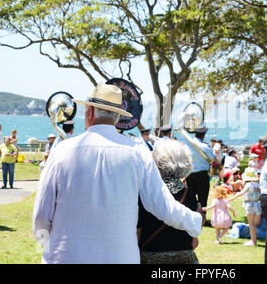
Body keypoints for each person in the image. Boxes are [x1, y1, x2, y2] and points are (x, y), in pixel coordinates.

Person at [33, 83, 203, 264]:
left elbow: (41, 216)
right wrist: (195, 221)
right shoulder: (138, 153)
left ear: (89, 111)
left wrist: (50, 246)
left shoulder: (61, 150)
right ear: (118, 118)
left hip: (66, 257)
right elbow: (163, 207)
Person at [137, 139, 201, 264]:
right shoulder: (189, 194)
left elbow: (138, 232)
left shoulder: (148, 193)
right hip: (185, 257)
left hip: (151, 257)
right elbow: (194, 242)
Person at [183, 127, 216, 208]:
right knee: (203, 199)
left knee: (190, 199)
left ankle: (191, 218)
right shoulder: (204, 146)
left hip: (189, 174)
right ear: (203, 135)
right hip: (202, 175)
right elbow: (213, 159)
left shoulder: (186, 145)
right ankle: (203, 219)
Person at [229, 167, 262, 246]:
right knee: (256, 223)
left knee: (251, 224)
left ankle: (253, 241)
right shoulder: (258, 184)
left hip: (250, 205)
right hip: (257, 204)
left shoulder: (248, 184)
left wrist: (232, 198)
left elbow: (242, 192)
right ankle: (254, 239)